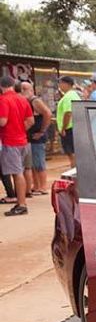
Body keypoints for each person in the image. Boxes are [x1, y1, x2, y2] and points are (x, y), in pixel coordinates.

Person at [0, 75, 35, 216]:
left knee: (17, 173)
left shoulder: (3, 100)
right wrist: (20, 129)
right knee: (20, 171)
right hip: (22, 140)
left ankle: (21, 204)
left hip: (10, 141)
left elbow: (2, 121)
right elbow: (30, 120)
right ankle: (20, 202)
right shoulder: (22, 99)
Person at [19, 81, 52, 195]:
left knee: (39, 162)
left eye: (25, 89)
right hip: (31, 137)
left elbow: (48, 113)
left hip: (37, 137)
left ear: (31, 90)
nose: (22, 91)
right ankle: (36, 185)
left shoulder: (35, 101)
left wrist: (42, 131)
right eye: (21, 89)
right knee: (32, 163)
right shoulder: (27, 102)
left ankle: (42, 186)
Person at [56, 75, 80, 168]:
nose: (60, 85)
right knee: (72, 153)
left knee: (71, 153)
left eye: (61, 83)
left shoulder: (68, 96)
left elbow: (68, 113)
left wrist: (63, 128)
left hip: (69, 128)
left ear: (66, 84)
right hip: (73, 127)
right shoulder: (73, 95)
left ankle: (74, 172)